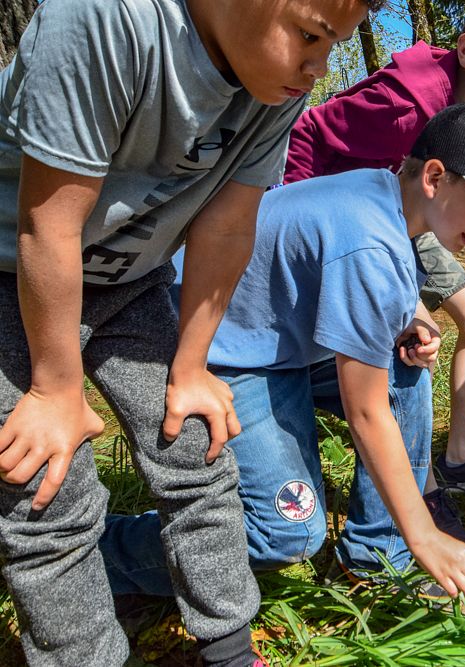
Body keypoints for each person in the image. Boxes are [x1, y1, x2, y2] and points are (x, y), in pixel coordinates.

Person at [0, 0, 374, 663]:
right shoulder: (106, 20)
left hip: (128, 277)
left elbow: (227, 226)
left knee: (197, 444)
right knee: (47, 485)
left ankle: (229, 647)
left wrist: (192, 366)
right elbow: (47, 225)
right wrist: (56, 388)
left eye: (335, 44)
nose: (318, 68)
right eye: (311, 35)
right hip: (14, 271)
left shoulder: (275, 80)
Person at [101, 103, 465, 599]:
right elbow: (365, 411)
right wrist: (426, 533)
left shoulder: (387, 200)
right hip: (223, 352)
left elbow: (352, 281)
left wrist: (409, 320)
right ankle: (102, 553)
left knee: (404, 372)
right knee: (288, 534)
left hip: (281, 345)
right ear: (435, 177)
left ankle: (377, 553)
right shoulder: (370, 244)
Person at [283, 0, 465, 494]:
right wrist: (298, 219)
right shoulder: (408, 104)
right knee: (409, 343)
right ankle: (420, 488)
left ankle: (461, 459)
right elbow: (307, 135)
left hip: (413, 214)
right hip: (353, 218)